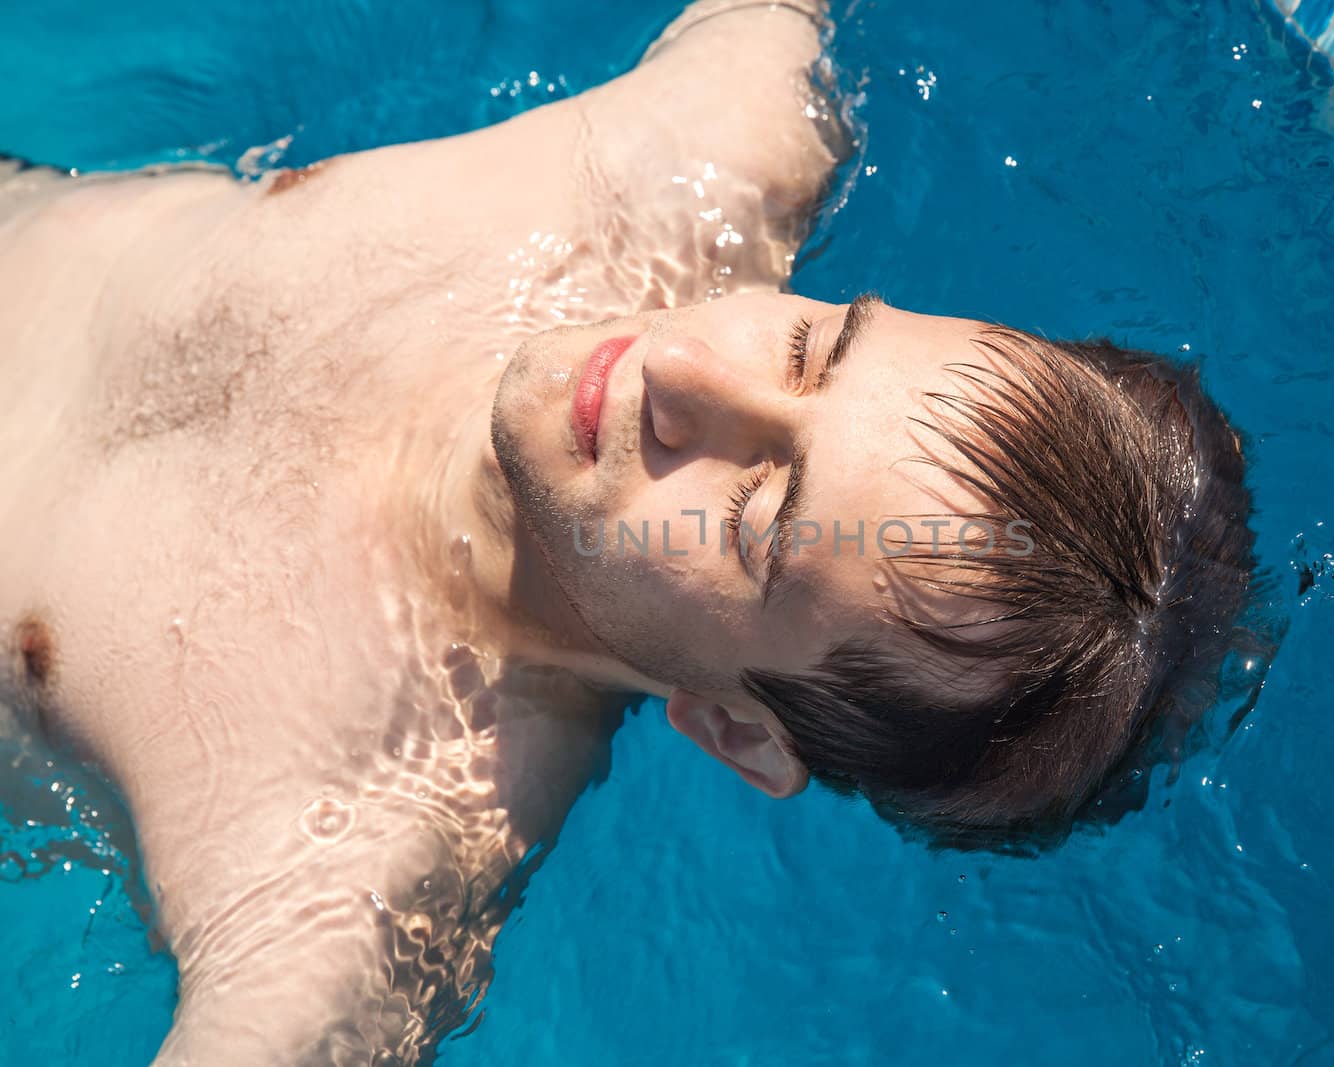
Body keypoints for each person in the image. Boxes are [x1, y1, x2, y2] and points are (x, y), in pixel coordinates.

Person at [0, 0, 1255, 1061]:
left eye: (758, 514)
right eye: (816, 345)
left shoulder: (356, 866)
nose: (696, 370)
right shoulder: (685, 172)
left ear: (733, 727)